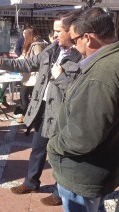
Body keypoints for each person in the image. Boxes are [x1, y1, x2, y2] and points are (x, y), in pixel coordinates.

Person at [0, 11, 82, 206]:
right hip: (43, 108)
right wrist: (1, 62)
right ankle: (31, 182)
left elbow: (79, 90)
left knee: (59, 154)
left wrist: (61, 75)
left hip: (62, 112)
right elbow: (28, 63)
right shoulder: (51, 50)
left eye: (57, 31)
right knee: (37, 147)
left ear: (71, 31)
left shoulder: (80, 56)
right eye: (53, 31)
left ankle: (58, 192)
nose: (54, 35)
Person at [47, 8, 119, 211]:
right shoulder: (110, 61)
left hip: (83, 174)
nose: (73, 45)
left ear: (87, 38)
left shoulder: (101, 74)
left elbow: (83, 135)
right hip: (100, 169)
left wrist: (53, 145)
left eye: (74, 39)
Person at [16, 26, 48, 123]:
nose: (24, 37)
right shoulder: (41, 43)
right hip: (32, 77)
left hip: (32, 77)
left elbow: (38, 62)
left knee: (24, 96)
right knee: (30, 97)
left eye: (25, 35)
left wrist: (25, 65)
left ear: (30, 35)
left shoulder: (37, 45)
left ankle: (27, 116)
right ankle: (28, 115)